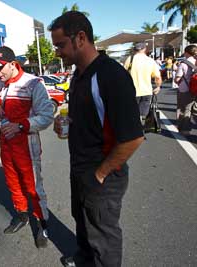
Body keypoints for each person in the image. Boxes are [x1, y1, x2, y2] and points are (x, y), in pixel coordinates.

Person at [50, 11, 144, 266]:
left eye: (60, 45)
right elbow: (90, 119)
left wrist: (100, 173)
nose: (57, 52)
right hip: (80, 168)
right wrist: (64, 124)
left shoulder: (110, 75)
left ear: (80, 38)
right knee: (82, 221)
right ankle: (83, 258)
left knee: (103, 236)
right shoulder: (79, 75)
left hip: (102, 174)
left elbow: (133, 137)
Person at [0, 46, 54, 248]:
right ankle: (22, 215)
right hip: (6, 145)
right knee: (12, 183)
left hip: (27, 145)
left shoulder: (33, 83)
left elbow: (46, 116)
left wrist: (21, 125)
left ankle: (42, 224)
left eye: (0, 67)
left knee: (33, 187)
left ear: (12, 64)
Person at [124, 42, 162, 126]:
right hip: (146, 91)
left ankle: (135, 129)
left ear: (134, 50)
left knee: (133, 112)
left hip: (132, 91)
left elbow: (123, 75)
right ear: (144, 49)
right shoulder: (150, 61)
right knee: (143, 113)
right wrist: (158, 86)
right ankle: (141, 128)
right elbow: (157, 77)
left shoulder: (129, 59)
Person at [174, 44, 197, 135]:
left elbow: (177, 79)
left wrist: (177, 80)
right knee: (194, 108)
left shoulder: (183, 63)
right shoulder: (196, 61)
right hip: (195, 89)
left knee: (184, 109)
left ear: (186, 53)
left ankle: (185, 130)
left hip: (185, 89)